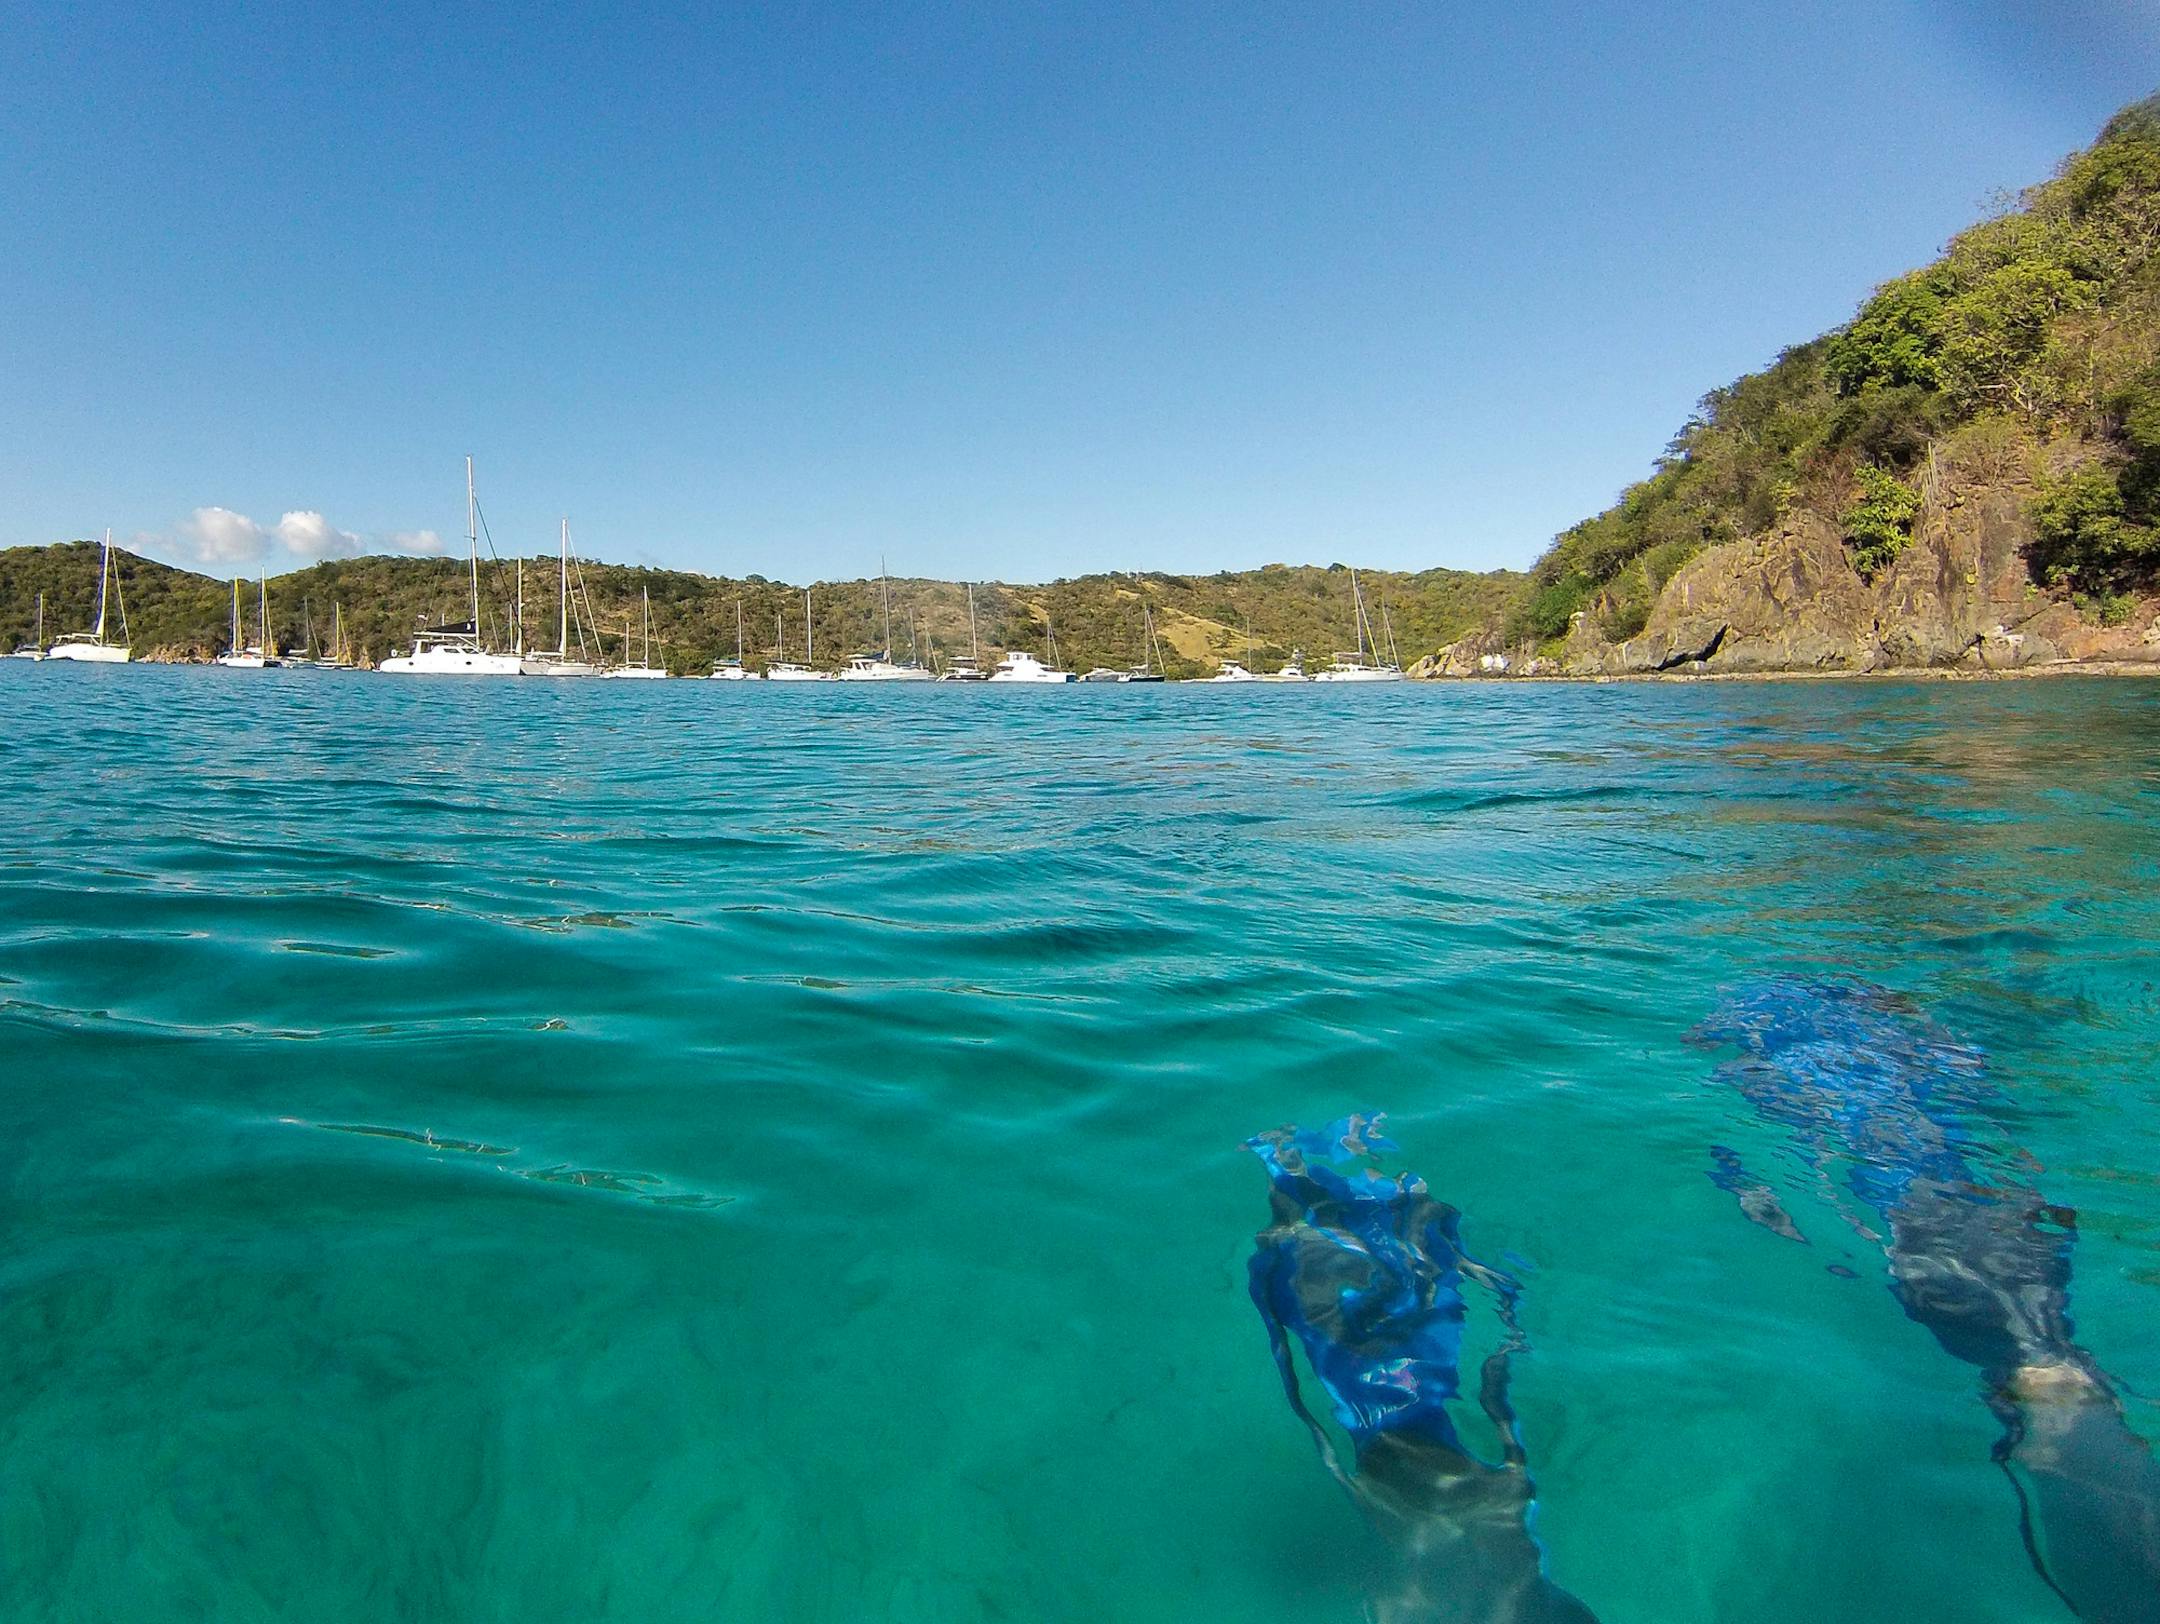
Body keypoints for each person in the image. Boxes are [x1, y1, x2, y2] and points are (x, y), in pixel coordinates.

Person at [1695, 979, 2160, 1623]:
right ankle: (2053, 1391)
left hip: (1936, 1215)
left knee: (2031, 1350)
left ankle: (2049, 1392)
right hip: (1961, 1216)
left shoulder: (1771, 1014)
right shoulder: (1897, 1050)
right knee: (2039, 1354)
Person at [1247, 1115, 1599, 1624]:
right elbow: (1331, 1458)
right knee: (1342, 1265)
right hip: (1389, 1421)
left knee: (1387, 1264)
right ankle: (1307, 1158)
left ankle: (1314, 1155)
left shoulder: (1506, 1515)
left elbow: (1499, 1410)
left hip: (1408, 1403)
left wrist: (1508, 1339)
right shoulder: (1435, 1566)